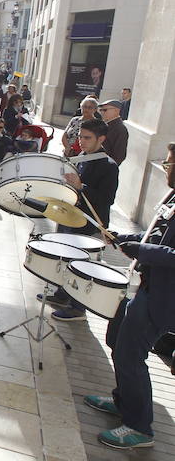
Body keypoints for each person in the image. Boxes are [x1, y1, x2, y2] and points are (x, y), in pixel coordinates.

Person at [82, 143, 175, 449]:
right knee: (117, 341)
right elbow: (158, 235)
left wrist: (140, 249)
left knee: (131, 356)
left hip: (163, 296)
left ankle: (139, 427)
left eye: (169, 164)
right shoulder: (173, 195)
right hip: (147, 285)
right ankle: (123, 402)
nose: (165, 168)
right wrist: (128, 239)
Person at [41, 119, 119, 321]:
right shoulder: (81, 157)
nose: (81, 141)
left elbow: (107, 199)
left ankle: (78, 308)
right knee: (64, 257)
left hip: (89, 224)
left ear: (101, 139)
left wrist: (81, 186)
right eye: (80, 136)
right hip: (69, 217)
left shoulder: (109, 166)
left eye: (87, 138)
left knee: (82, 265)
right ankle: (62, 295)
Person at [99, 99, 129, 165]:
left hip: (104, 166)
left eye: (105, 110)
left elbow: (119, 155)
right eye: (100, 110)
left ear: (116, 110)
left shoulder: (120, 129)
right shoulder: (105, 124)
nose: (102, 112)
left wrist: (109, 168)